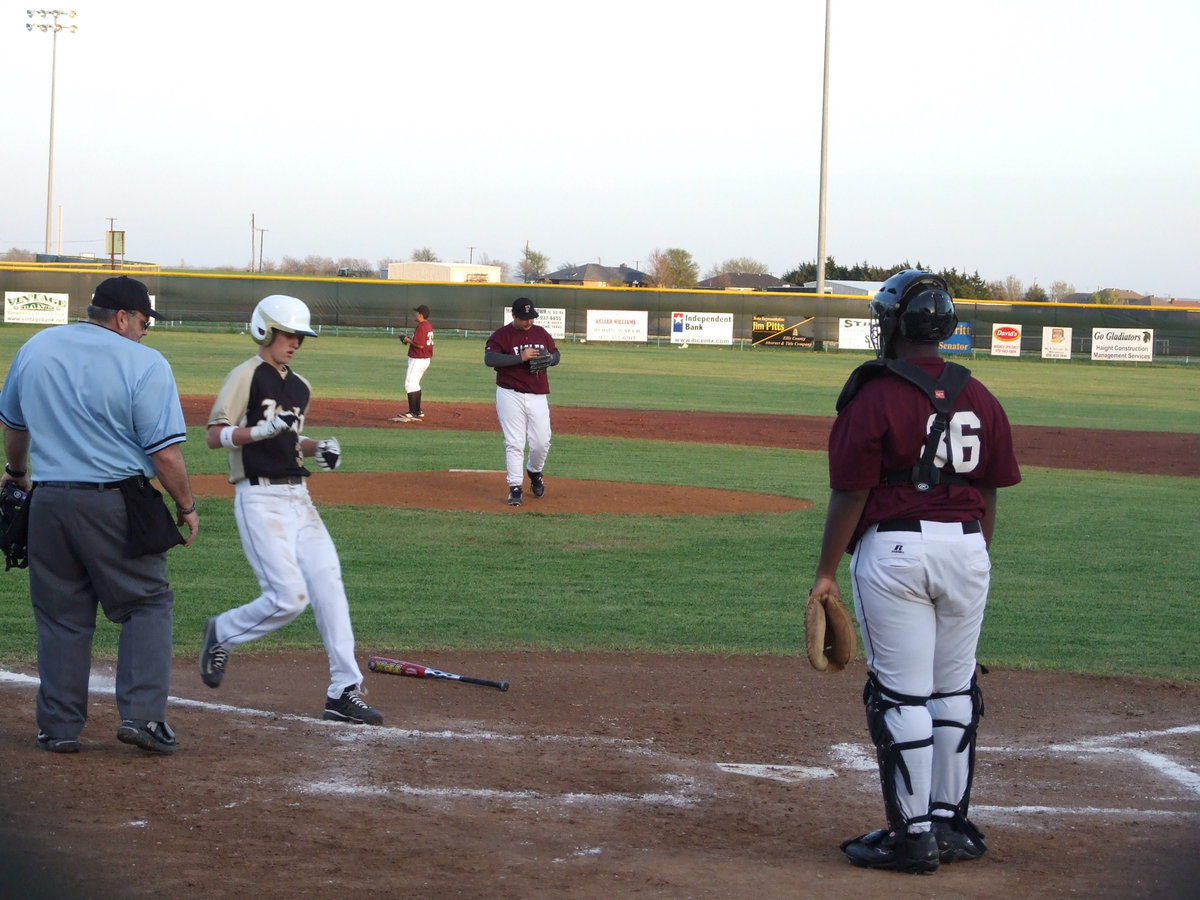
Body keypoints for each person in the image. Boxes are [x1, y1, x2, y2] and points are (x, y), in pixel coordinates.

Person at [809, 270, 1021, 873]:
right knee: (953, 689)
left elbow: (850, 493)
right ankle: (951, 825)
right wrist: (977, 554)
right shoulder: (979, 394)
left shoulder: (873, 393)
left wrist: (825, 573)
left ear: (897, 326)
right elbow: (991, 492)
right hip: (968, 549)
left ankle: (913, 837)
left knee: (898, 696)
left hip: (897, 552)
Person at [0, 275, 199, 755]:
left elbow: (13, 424)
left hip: (48, 503)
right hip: (115, 503)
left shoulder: (38, 346)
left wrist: (17, 473)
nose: (146, 330)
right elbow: (165, 456)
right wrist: (186, 505)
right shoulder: (145, 363)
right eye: (144, 320)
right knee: (147, 602)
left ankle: (59, 728)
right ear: (122, 316)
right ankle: (144, 719)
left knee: (62, 618)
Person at [199, 295, 383, 726]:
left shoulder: (301, 386)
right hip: (260, 499)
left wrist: (317, 447)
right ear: (264, 329)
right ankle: (222, 631)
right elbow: (214, 434)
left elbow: (288, 438)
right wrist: (258, 431)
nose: (295, 342)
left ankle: (343, 689)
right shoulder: (245, 375)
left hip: (300, 498)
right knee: (289, 598)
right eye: (287, 333)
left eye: (299, 336)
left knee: (329, 589)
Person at [484, 297, 560, 506]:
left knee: (542, 441)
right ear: (514, 316)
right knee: (515, 442)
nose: (529, 322)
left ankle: (534, 472)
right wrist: (521, 358)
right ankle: (515, 487)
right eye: (524, 318)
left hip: (538, 393)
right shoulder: (502, 335)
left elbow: (556, 354)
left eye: (531, 317)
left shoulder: (541, 333)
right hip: (510, 393)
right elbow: (490, 359)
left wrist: (551, 359)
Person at [390, 304, 434, 423]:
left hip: (418, 358)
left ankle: (412, 412)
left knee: (409, 384)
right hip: (425, 359)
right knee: (415, 384)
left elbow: (419, 345)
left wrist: (406, 339)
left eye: (417, 313)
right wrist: (409, 340)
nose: (416, 314)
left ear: (421, 315)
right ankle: (417, 411)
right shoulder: (428, 326)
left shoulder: (422, 326)